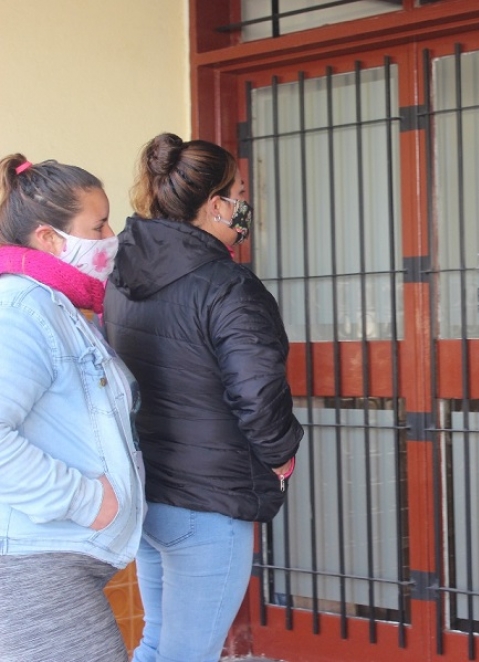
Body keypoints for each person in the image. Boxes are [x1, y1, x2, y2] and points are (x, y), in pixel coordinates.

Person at [103, 133, 303, 662]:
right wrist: (281, 456)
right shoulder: (228, 285)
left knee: (155, 643)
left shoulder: (122, 278)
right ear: (216, 205)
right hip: (206, 503)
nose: (245, 203)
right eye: (239, 191)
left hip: (147, 489)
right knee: (188, 654)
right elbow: (258, 392)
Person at [0, 154, 145, 662]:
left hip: (56, 559)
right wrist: (86, 501)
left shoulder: (61, 306)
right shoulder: (22, 309)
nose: (112, 235)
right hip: (34, 565)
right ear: (49, 239)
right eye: (98, 224)